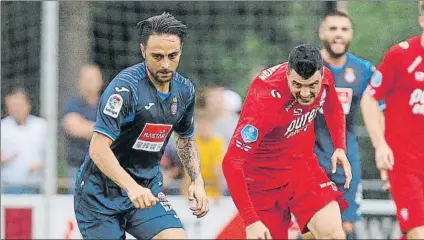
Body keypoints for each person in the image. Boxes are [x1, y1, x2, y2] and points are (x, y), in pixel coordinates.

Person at [74, 12, 209, 239]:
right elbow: (98, 148)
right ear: (143, 51)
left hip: (146, 188)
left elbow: (185, 139)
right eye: (157, 56)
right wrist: (131, 187)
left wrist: (197, 180)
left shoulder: (185, 91)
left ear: (181, 50)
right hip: (99, 195)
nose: (166, 64)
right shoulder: (125, 90)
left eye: (172, 55)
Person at [222, 44, 352, 239]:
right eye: (298, 85)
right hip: (262, 183)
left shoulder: (325, 77)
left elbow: (333, 106)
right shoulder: (263, 100)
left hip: (302, 168)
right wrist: (251, 221)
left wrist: (340, 147)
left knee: (333, 234)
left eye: (312, 85)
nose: (306, 93)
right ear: (288, 76)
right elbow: (231, 162)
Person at [311, 10, 384, 239]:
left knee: (346, 228)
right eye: (333, 29)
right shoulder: (306, 66)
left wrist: (383, 147)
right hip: (309, 159)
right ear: (321, 32)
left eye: (344, 29)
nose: (338, 35)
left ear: (351, 33)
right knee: (311, 228)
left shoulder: (363, 70)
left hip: (346, 160)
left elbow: (380, 108)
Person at [360, 1, 424, 239]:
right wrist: (380, 145)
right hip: (406, 163)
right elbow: (369, 98)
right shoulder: (401, 55)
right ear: (421, 21)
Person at [62, 64, 103, 194]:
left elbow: (118, 130)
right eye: (86, 79)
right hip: (77, 168)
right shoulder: (72, 104)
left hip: (104, 169)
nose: (89, 83)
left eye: (92, 79)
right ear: (79, 82)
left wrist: (85, 125)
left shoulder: (107, 104)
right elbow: (73, 128)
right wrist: (101, 129)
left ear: (100, 81)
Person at [1, 88, 47, 194]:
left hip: (37, 186)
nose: (16, 109)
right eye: (12, 106)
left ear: (28, 105)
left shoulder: (41, 126)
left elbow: (51, 154)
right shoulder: (3, 127)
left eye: (19, 105)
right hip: (9, 185)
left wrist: (41, 164)